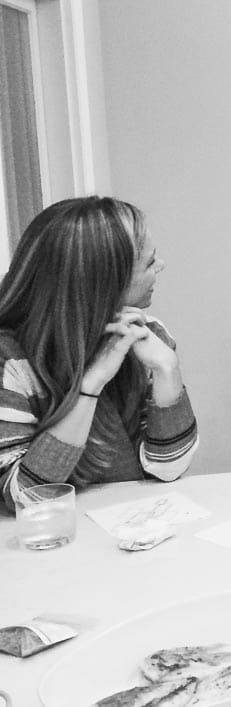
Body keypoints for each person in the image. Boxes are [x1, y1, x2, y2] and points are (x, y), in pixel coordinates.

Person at [0, 197, 198, 511]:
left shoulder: (148, 337)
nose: (162, 267)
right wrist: (91, 384)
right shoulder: (10, 359)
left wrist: (167, 369)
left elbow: (168, 467)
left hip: (132, 534)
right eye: (150, 262)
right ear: (105, 282)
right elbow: (22, 497)